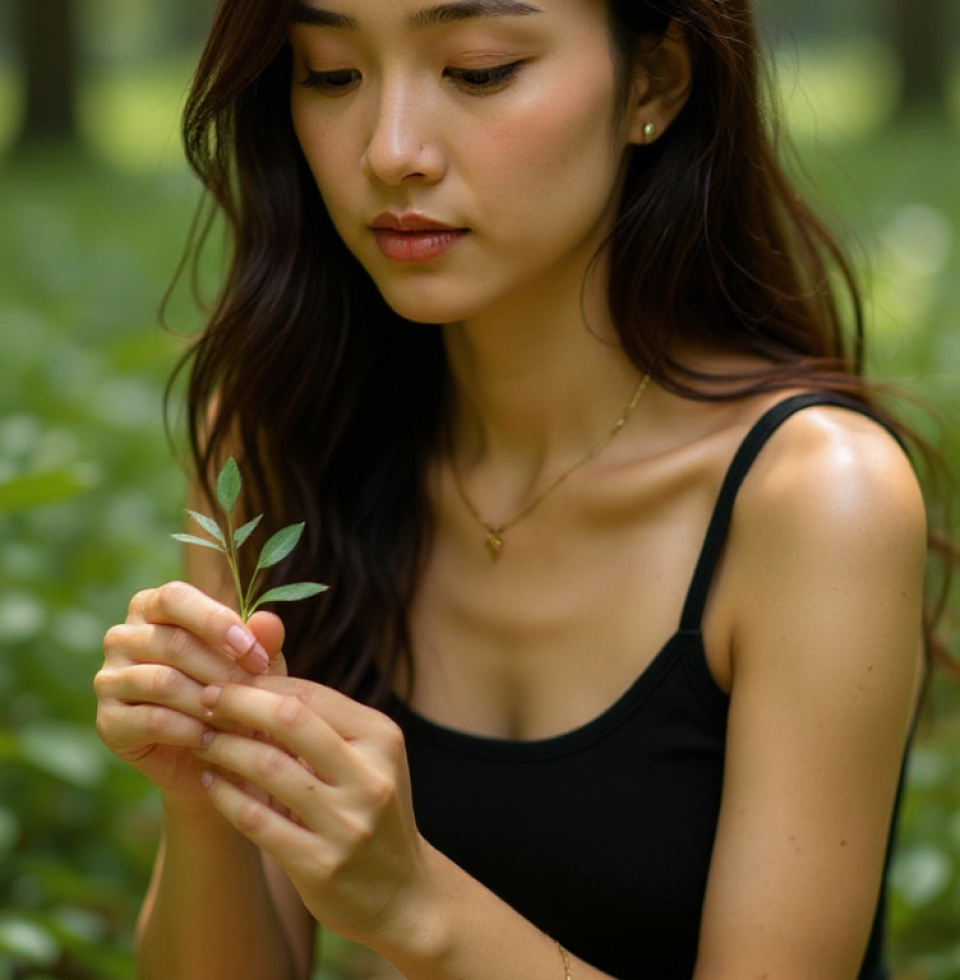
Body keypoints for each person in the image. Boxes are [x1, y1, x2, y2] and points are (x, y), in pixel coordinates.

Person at [93, 0, 950, 978]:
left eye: (481, 69)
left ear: (654, 83)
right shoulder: (285, 439)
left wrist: (418, 905)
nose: (393, 151)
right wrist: (202, 800)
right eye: (331, 71)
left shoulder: (813, 499)